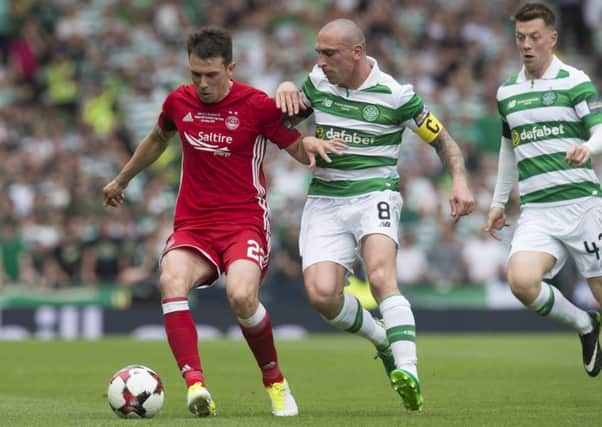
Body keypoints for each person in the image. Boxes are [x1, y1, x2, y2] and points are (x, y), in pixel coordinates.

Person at [103, 27, 344, 417]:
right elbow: (157, 139)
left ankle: (275, 382)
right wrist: (121, 179)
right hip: (193, 226)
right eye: (195, 73)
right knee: (170, 280)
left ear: (231, 68)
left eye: (211, 75)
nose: (201, 84)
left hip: (244, 223)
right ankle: (196, 387)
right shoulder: (178, 102)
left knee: (241, 296)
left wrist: (311, 144)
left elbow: (297, 147)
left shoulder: (257, 105)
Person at [275, 19, 474, 412]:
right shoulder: (317, 83)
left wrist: (460, 181)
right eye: (318, 52)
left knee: (382, 276)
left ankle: (408, 369)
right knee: (321, 295)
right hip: (326, 200)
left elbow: (443, 140)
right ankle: (382, 339)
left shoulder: (396, 95)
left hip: (374, 195)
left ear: (357, 53)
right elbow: (278, 127)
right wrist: (284, 93)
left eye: (329, 53)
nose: (320, 60)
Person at [484, 2, 602, 377]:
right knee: (521, 281)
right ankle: (585, 325)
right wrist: (498, 202)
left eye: (535, 37)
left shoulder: (574, 81)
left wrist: (589, 147)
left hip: (583, 206)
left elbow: (601, 128)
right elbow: (508, 148)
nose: (527, 45)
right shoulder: (507, 92)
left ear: (551, 38)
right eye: (520, 37)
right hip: (537, 211)